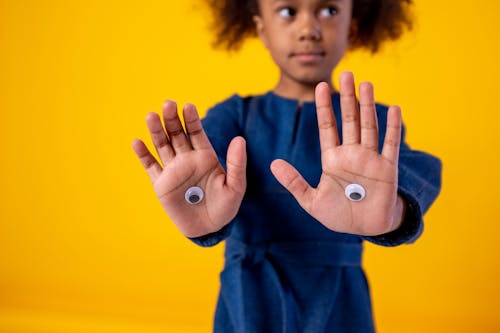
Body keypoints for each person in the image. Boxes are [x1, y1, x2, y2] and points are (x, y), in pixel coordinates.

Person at [132, 0, 442, 331]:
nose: (309, 30)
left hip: (338, 303)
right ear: (261, 29)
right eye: (287, 11)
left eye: (329, 11)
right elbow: (205, 176)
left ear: (352, 26)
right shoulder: (234, 116)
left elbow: (412, 170)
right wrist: (202, 206)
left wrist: (395, 211)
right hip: (249, 300)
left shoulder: (373, 124)